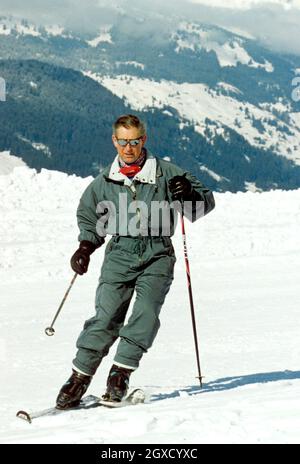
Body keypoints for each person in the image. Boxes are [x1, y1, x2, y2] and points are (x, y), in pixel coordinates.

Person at [56, 114, 215, 409]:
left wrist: (190, 193)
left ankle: (120, 373)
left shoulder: (167, 173)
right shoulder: (104, 182)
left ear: (144, 140)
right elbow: (91, 218)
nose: (129, 148)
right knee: (106, 317)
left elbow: (201, 206)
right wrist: (85, 247)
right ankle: (79, 376)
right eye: (123, 141)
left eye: (135, 141)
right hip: (120, 253)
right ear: (114, 141)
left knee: (145, 313)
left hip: (157, 253)